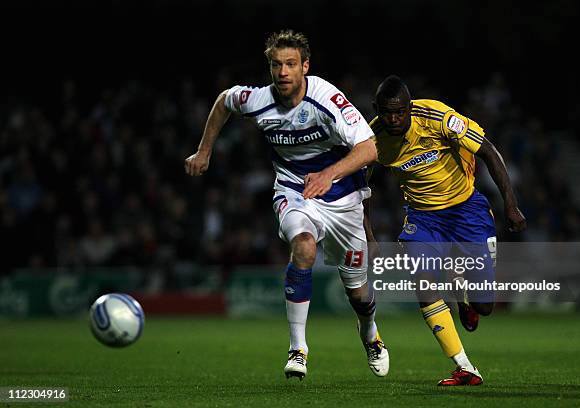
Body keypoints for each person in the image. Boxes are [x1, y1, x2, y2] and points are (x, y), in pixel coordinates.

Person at [185, 30, 389, 380]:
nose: (283, 72)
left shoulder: (327, 98)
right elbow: (224, 101)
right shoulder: (258, 99)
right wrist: (205, 150)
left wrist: (329, 173)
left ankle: (370, 333)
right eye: (276, 65)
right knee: (304, 247)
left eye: (291, 64)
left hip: (342, 198)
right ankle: (298, 350)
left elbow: (370, 148)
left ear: (305, 67)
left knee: (358, 292)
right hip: (295, 191)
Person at [366, 75, 526, 386]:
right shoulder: (371, 138)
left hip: (467, 211)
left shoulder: (438, 118)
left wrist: (511, 204)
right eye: (387, 112)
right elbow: (361, 186)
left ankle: (464, 293)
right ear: (377, 109)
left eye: (400, 112)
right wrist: (369, 236)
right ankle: (464, 366)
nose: (394, 118)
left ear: (410, 108)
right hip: (423, 219)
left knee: (485, 306)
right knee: (422, 280)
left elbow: (488, 151)